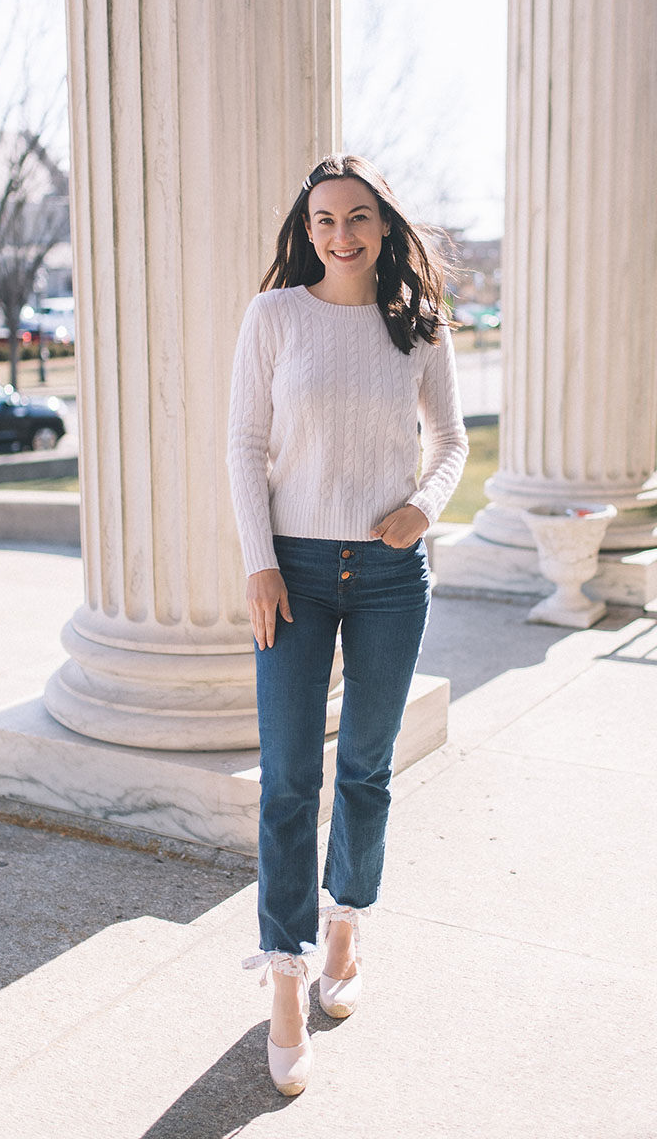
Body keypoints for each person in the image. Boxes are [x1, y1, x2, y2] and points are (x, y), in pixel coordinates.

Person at [227, 153, 468, 1095]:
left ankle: (345, 930)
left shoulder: (417, 324)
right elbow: (246, 443)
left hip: (387, 575)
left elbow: (448, 443)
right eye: (324, 220)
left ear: (383, 224)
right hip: (290, 571)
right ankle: (285, 983)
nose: (340, 234)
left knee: (365, 768)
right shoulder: (275, 316)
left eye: (356, 217)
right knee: (289, 780)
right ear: (307, 229)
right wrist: (256, 560)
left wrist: (425, 506)